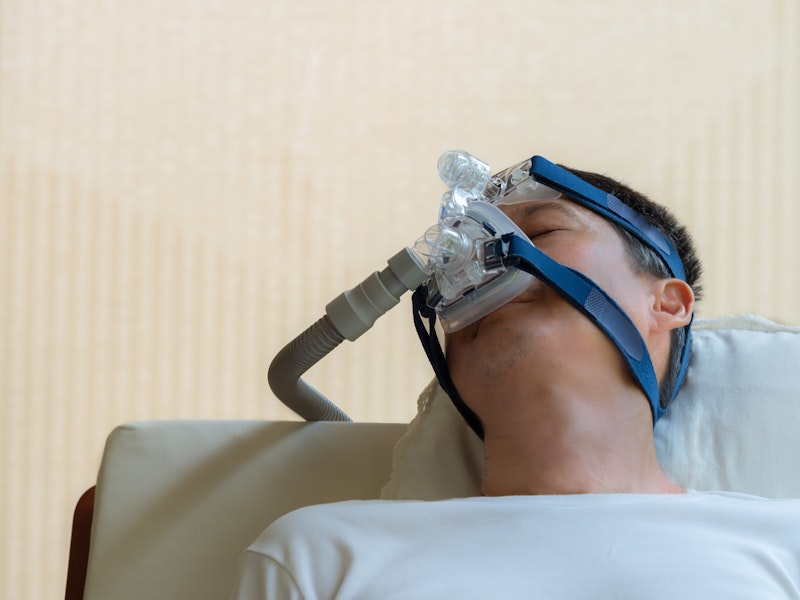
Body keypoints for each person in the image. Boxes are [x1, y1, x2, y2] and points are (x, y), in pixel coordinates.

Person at [229, 159, 800, 599]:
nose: (482, 267)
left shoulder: (784, 544)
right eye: (459, 260)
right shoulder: (321, 555)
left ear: (668, 304)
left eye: (544, 231)